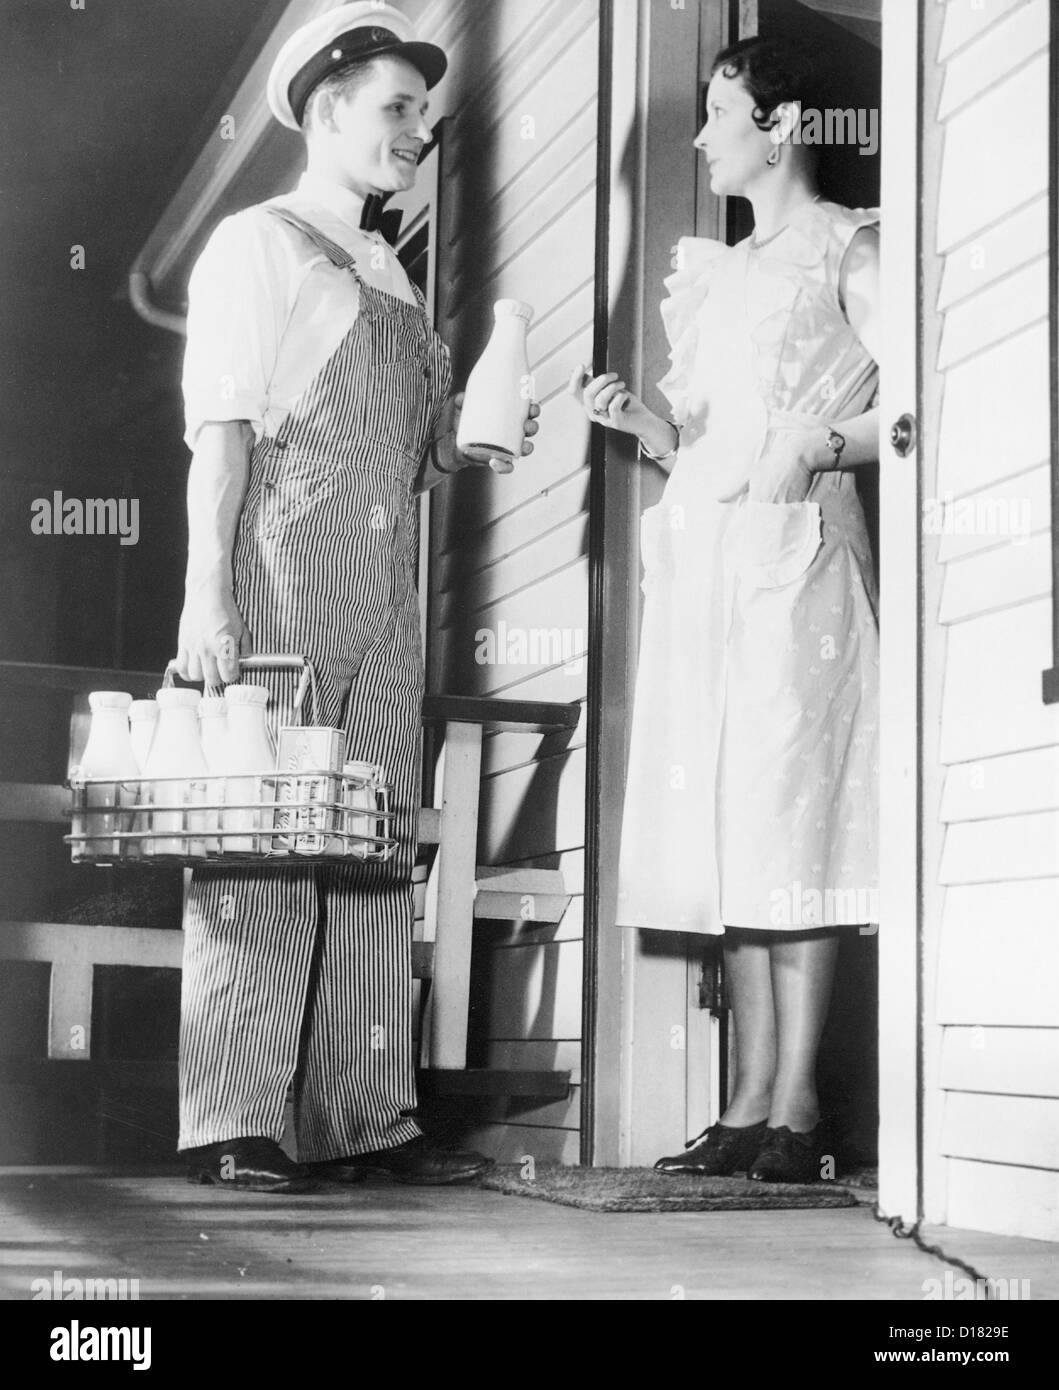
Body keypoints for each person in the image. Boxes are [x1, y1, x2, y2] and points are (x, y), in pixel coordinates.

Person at [175, 3, 539, 1193]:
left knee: (372, 838)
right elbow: (220, 444)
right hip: (281, 558)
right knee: (265, 833)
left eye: (424, 114)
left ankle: (361, 1116)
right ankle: (236, 1116)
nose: (417, 132)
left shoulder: (389, 268)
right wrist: (205, 603)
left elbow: (424, 450)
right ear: (326, 112)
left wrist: (479, 433)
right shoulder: (259, 243)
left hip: (388, 586)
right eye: (396, 109)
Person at [572, 35, 880, 1183]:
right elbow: (718, 444)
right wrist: (650, 437)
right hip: (713, 564)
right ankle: (750, 1101)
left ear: (787, 125)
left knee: (789, 817)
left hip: (799, 562)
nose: (701, 138)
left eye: (720, 113)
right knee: (733, 827)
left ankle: (799, 1108)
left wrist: (822, 442)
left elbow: (908, 404)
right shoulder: (723, 269)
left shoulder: (850, 247)